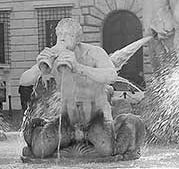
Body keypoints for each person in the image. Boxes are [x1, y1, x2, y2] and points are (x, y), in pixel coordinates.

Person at [19, 18, 118, 157]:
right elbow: (24, 80)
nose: (63, 39)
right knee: (40, 150)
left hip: (96, 117)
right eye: (60, 35)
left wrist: (79, 68)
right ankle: (40, 129)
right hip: (67, 119)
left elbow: (112, 76)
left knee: (107, 149)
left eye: (68, 35)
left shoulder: (94, 53)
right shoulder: (54, 56)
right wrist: (39, 68)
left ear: (78, 39)